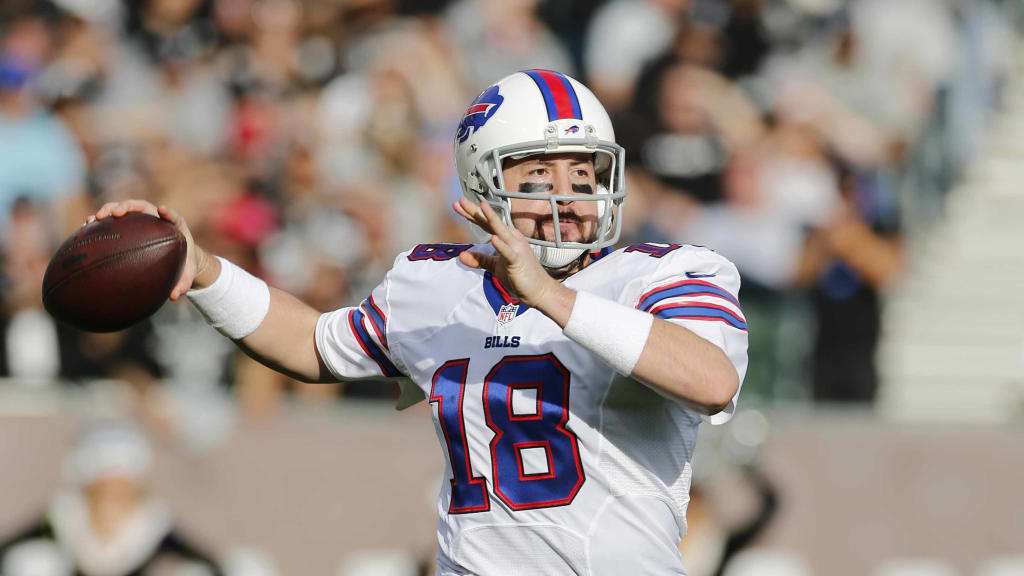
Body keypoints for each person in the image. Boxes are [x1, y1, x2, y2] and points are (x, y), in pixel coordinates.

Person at [87, 70, 748, 575]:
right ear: (483, 183)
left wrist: (551, 295)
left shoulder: (662, 274)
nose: (568, 196)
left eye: (583, 173)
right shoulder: (437, 281)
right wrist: (203, 269)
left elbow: (711, 378)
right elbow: (313, 346)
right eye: (539, 172)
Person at [0, 422, 223, 576]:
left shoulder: (156, 528)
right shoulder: (60, 521)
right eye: (105, 487)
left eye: (123, 488)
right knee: (33, 561)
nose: (113, 498)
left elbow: (211, 565)